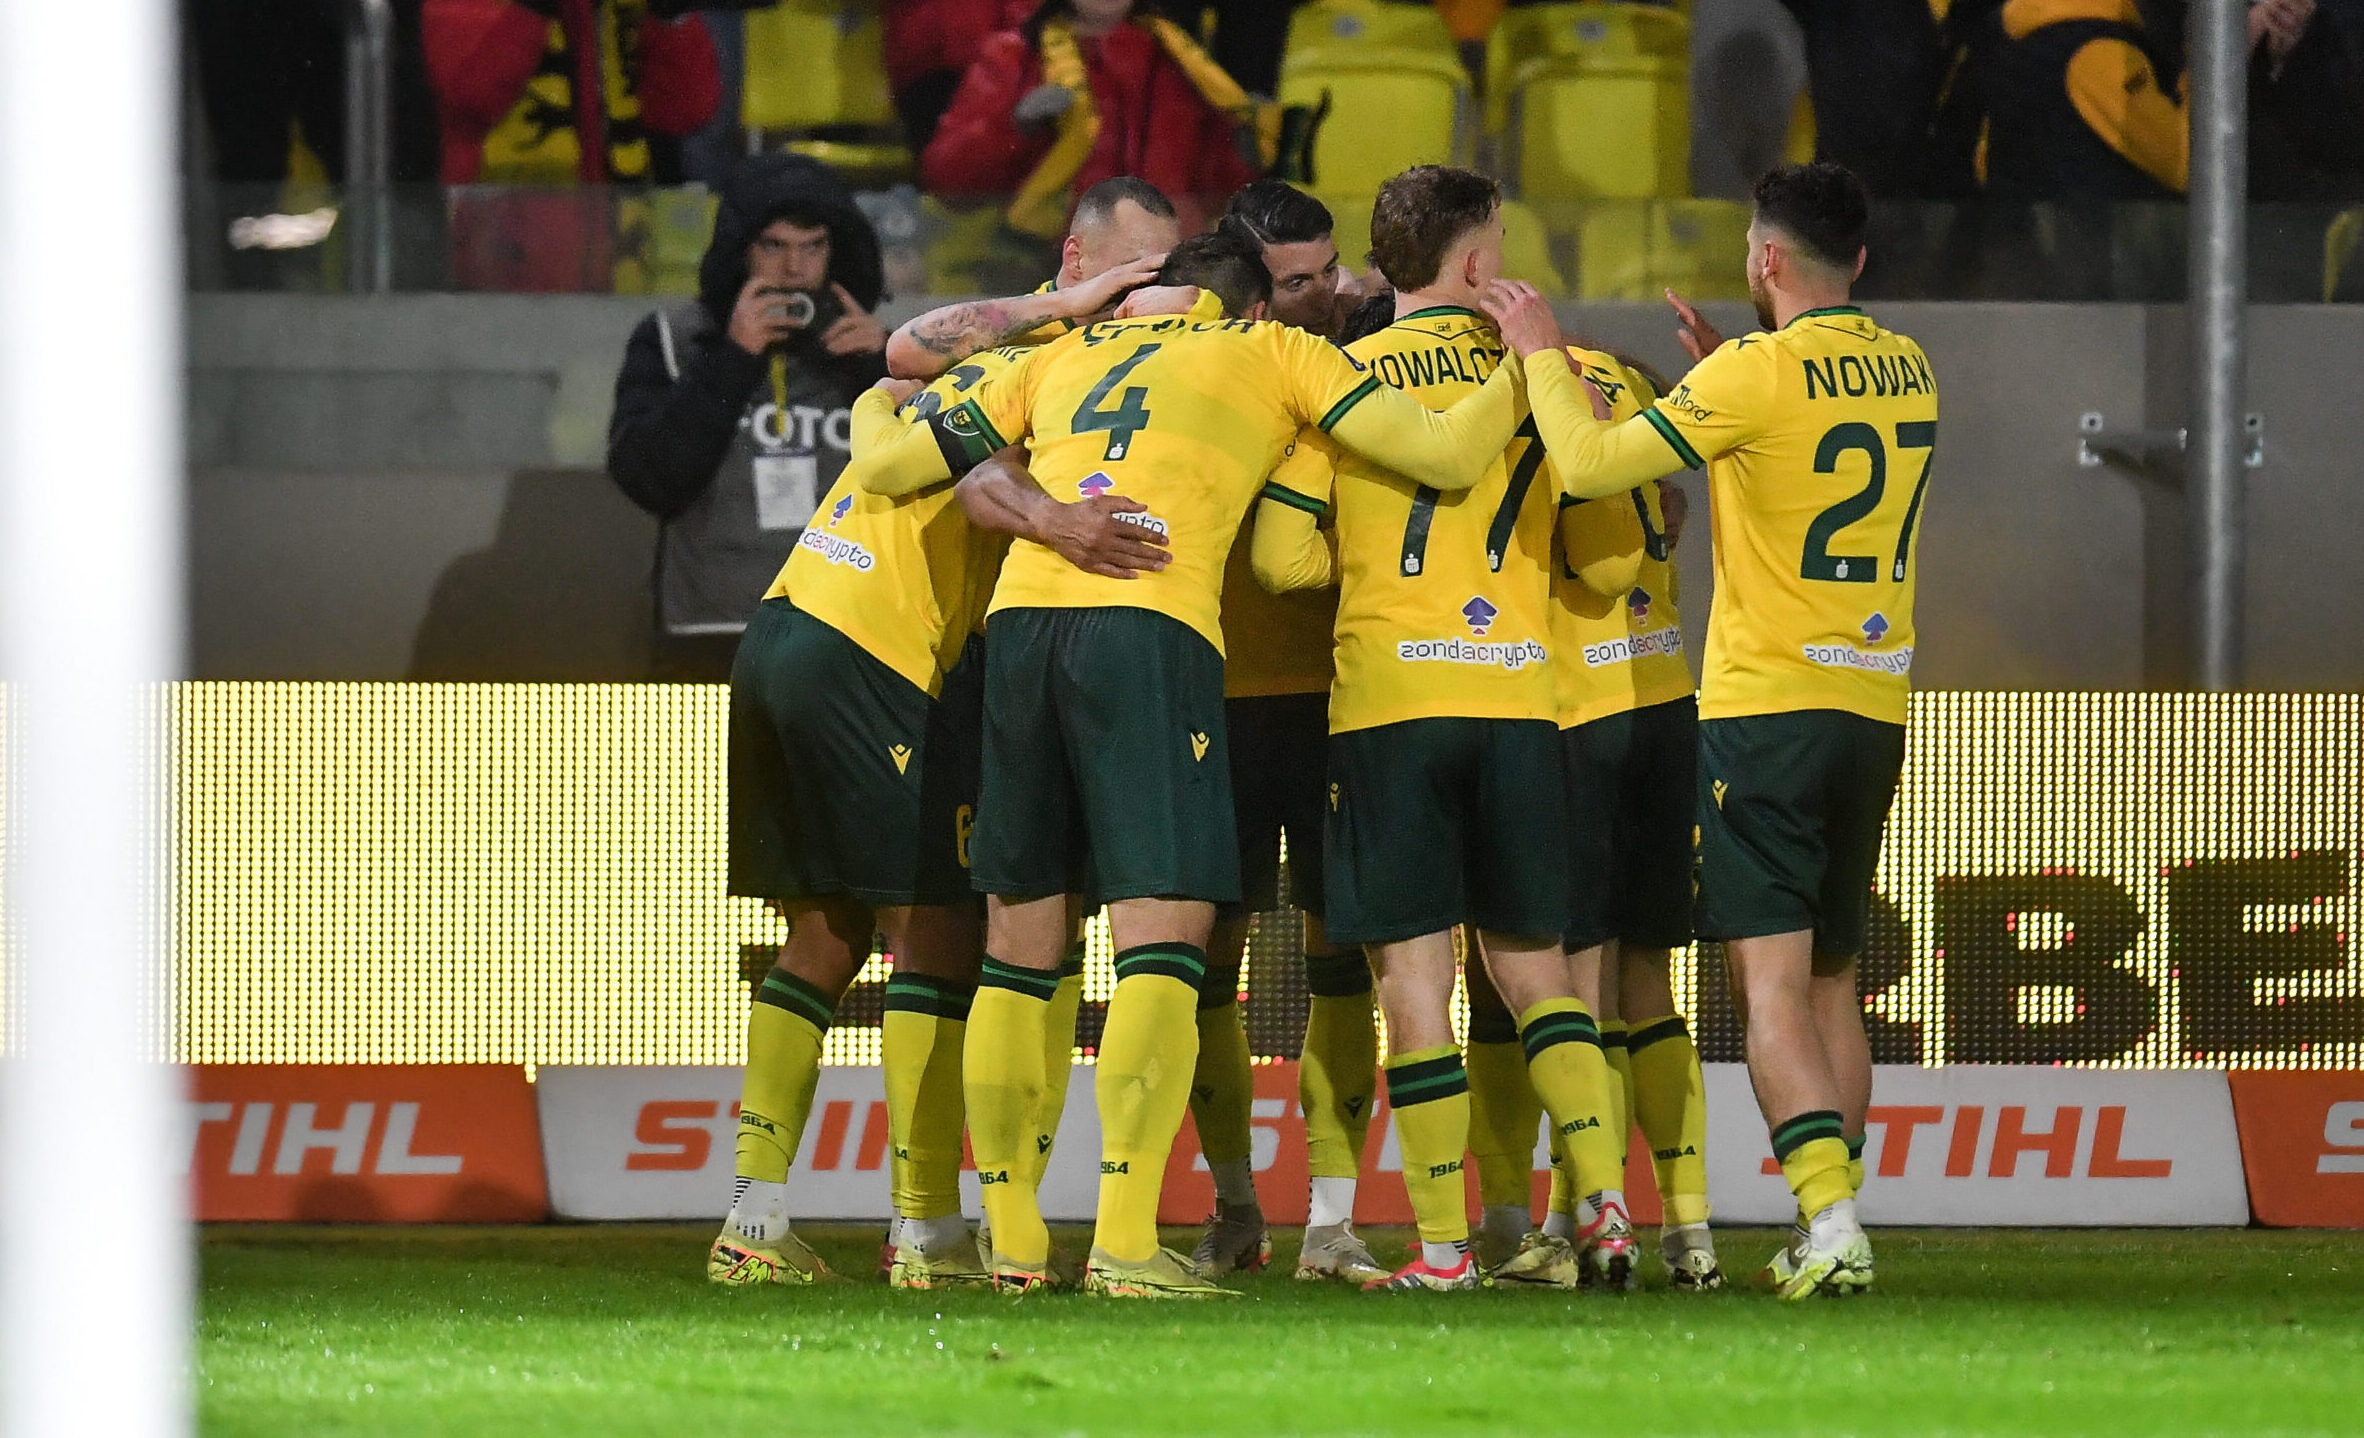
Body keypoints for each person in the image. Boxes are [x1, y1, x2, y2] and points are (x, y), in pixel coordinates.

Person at [846, 229, 1527, 1296]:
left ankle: (1012, 1242)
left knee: (1020, 949)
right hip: (1150, 629)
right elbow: (1443, 454)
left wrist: (872, 402)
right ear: (1251, 307)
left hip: (1019, 632)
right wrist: (1526, 365)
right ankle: (1125, 1241)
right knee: (1162, 944)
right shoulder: (1274, 352)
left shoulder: (1064, 354)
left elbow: (889, 464)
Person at [1488, 160, 1939, 1300]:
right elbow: (1799, 437)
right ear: (1858, 260)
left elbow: (1589, 463)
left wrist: (1543, 351)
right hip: (1873, 704)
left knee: (1769, 984)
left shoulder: (1753, 373)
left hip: (1769, 711)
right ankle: (1833, 1214)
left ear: (1765, 258)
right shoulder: (1908, 365)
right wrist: (1724, 378)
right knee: (1833, 978)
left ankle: (1829, 1224)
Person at [703, 276, 1180, 1295]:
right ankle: (923, 1228)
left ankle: (754, 1217)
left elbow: (899, 363)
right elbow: (977, 479)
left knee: (825, 931)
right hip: (873, 652)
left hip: (782, 625)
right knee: (939, 932)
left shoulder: (972, 358)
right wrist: (1059, 521)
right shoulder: (1051, 378)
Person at [1247, 167, 1630, 1293]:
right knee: (1540, 977)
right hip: (1519, 704)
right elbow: (1611, 562)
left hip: (1390, 709)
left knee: (1413, 990)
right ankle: (1603, 1213)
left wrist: (1369, 566)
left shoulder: (1343, 381)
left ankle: (1446, 1251)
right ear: (1474, 264)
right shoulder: (1547, 379)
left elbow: (1278, 559)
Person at [1180, 182, 1385, 1286]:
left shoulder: (1371, 360)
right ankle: (1233, 1206)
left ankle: (1333, 1221)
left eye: (1329, 271)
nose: (1323, 295)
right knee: (1204, 962)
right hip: (1214, 697)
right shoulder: (1198, 364)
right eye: (1296, 281)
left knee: (1342, 958)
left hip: (1342, 700)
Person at [1500, 345, 1722, 1291]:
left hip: (1577, 715)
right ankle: (1691, 1232)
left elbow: (1599, 564)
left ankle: (1589, 1219)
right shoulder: (1639, 433)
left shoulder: (1548, 413)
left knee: (1577, 994)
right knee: (1649, 990)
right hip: (1666, 702)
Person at [606, 155, 889, 681]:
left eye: (813, 247)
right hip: (709, 630)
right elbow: (648, 479)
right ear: (741, 251)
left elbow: (946, 484)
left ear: (838, 252)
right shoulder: (673, 340)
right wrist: (731, 360)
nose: (794, 269)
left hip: (847, 628)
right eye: (773, 246)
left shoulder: (879, 352)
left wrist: (881, 371)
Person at [920, 0, 1260, 237]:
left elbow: (1218, 191)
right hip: (1053, 268)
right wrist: (1014, 128)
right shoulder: (1015, 57)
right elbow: (950, 185)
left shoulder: (1181, 60)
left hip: (1169, 267)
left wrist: (1245, 148)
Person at [887, 176, 1182, 381]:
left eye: (1161, 270)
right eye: (1133, 267)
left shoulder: (1173, 328)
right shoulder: (1009, 335)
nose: (1150, 283)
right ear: (1076, 258)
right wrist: (1069, 303)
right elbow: (901, 353)